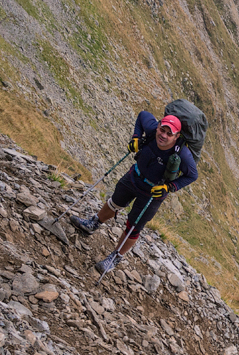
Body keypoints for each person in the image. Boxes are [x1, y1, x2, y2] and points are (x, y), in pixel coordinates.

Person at [70, 110, 198, 273]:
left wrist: (170, 187)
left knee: (134, 226)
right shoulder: (151, 129)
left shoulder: (183, 154)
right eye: (162, 130)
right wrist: (136, 137)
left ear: (176, 136)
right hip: (134, 177)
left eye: (169, 133)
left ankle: (116, 256)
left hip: (153, 193)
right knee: (114, 203)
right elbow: (142, 114)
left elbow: (192, 175)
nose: (163, 135)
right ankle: (93, 223)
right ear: (158, 126)